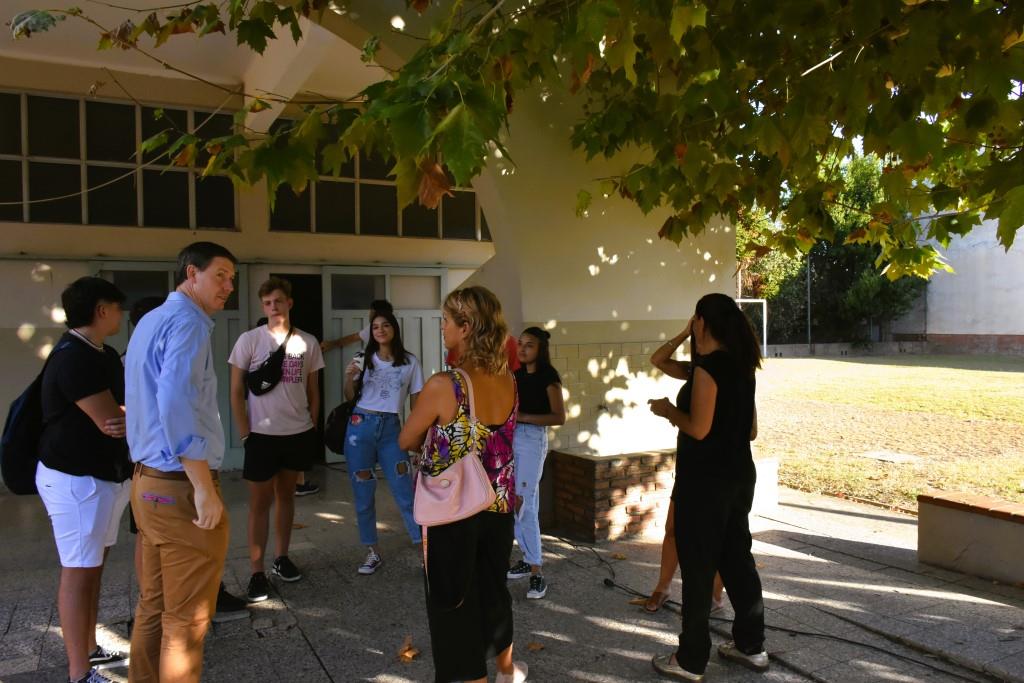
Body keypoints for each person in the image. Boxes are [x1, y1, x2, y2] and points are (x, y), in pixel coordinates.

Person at [399, 286, 528, 683]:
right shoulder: (508, 379)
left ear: (466, 326)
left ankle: (473, 677)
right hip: (499, 503)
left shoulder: (445, 384)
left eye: (447, 320)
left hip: (455, 509)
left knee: (453, 601)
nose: (442, 327)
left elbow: (407, 439)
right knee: (493, 590)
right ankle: (506, 669)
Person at [124, 241, 237, 683]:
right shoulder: (187, 323)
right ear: (192, 274)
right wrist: (204, 487)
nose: (229, 286)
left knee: (154, 607)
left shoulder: (152, 320)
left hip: (148, 484)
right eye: (220, 275)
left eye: (232, 278)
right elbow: (174, 402)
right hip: (178, 487)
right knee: (186, 621)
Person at [648, 294, 767, 681]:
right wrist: (687, 332)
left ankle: (691, 659)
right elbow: (750, 429)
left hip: (704, 483)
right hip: (738, 476)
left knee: (698, 567)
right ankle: (752, 646)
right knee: (737, 559)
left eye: (695, 320)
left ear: (704, 321)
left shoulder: (708, 370)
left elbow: (698, 428)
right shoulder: (741, 366)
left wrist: (669, 411)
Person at [36, 277, 132, 683]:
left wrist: (129, 417)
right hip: (76, 481)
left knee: (93, 567)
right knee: (78, 572)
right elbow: (112, 421)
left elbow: (122, 414)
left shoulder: (102, 352)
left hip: (104, 477)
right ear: (101, 310)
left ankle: (90, 647)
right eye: (117, 307)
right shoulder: (73, 357)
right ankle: (79, 674)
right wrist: (137, 418)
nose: (122, 315)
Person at [229, 277, 324, 601]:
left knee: (287, 496)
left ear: (289, 303)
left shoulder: (308, 342)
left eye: (279, 301)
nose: (274, 307)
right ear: (262, 306)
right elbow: (236, 390)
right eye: (268, 303)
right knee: (259, 503)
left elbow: (313, 389)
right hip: (261, 435)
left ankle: (281, 558)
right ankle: (256, 571)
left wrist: (311, 423)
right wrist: (245, 432)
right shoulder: (249, 340)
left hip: (297, 431)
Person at [644, 328, 724, 615]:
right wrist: (684, 332)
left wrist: (669, 411)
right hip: (688, 463)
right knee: (673, 529)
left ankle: (715, 597)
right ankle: (662, 587)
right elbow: (658, 358)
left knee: (714, 537)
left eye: (700, 330)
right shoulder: (695, 370)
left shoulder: (728, 371)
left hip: (713, 467)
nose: (696, 338)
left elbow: (743, 429)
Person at [343, 309, 424, 574]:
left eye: (385, 325)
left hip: (391, 429)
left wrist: (418, 437)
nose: (380, 330)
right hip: (360, 428)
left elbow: (416, 401)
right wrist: (349, 377)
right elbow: (349, 396)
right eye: (375, 326)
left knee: (404, 490)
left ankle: (425, 547)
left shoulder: (410, 361)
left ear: (394, 329)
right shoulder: (362, 358)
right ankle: (372, 551)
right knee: (363, 493)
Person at [505, 327, 565, 600]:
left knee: (523, 502)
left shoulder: (548, 377)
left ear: (540, 349)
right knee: (517, 501)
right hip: (512, 438)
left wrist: (525, 417)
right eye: (521, 344)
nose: (523, 349)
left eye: (529, 345)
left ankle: (537, 573)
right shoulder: (515, 376)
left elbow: (558, 417)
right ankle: (528, 558)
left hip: (532, 439)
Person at [319, 299, 393, 353]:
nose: (369, 314)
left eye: (370, 312)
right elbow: (354, 337)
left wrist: (332, 344)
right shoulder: (373, 328)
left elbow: (353, 338)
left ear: (373, 312)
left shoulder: (375, 328)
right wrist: (332, 344)